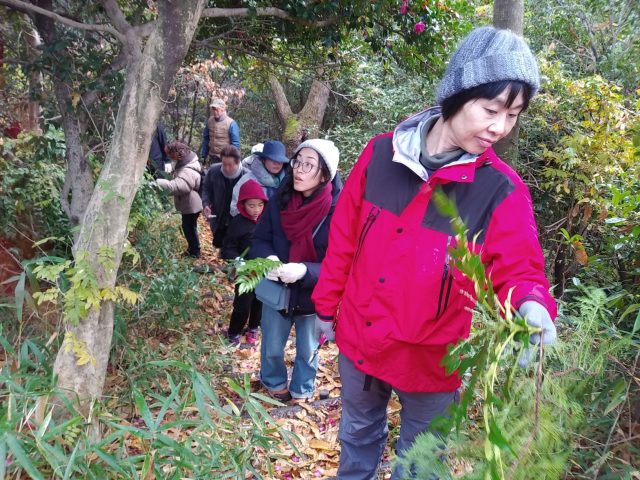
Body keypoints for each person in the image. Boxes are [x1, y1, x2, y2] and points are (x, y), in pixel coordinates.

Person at [311, 26, 559, 479]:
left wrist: (532, 305)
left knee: (421, 463)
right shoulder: (381, 154)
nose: (499, 128)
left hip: (433, 361)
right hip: (361, 342)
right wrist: (325, 308)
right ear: (457, 93)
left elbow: (519, 267)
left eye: (513, 115)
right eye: (491, 110)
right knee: (358, 437)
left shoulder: (500, 191)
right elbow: (343, 240)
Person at [249, 139, 342, 402]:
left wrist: (304, 270)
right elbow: (260, 238)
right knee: (272, 347)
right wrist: (267, 259)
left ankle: (302, 391)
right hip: (278, 287)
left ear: (325, 174)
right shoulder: (282, 197)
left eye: (309, 165)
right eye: (298, 162)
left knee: (308, 349)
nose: (299, 170)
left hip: (313, 294)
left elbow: (340, 263)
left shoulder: (339, 209)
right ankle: (274, 385)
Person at [220, 179, 269, 345]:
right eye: (251, 205)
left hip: (262, 270)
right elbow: (227, 247)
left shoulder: (266, 221)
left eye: (260, 205)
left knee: (259, 302)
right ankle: (234, 331)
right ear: (243, 205)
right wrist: (237, 260)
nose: (256, 210)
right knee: (242, 305)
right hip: (245, 272)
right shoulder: (238, 223)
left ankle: (253, 328)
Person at [156, 141, 203, 258]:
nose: (169, 157)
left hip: (192, 205)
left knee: (189, 228)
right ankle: (193, 249)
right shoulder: (185, 164)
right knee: (189, 227)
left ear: (177, 153)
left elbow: (178, 186)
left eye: (170, 155)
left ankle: (194, 251)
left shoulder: (187, 170)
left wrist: (156, 183)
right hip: (189, 204)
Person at [201, 144, 248, 248]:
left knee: (233, 247)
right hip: (218, 218)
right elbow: (206, 188)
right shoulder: (214, 171)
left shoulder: (247, 176)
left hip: (238, 221)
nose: (226, 168)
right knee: (219, 244)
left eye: (230, 165)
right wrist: (206, 204)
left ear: (238, 162)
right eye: (224, 164)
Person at [229, 140, 289, 217]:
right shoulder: (247, 180)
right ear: (264, 160)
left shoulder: (288, 182)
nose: (277, 163)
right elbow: (235, 208)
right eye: (272, 159)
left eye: (280, 160)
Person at [200, 98, 240, 165]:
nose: (215, 111)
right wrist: (203, 155)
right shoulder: (210, 121)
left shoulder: (231, 123)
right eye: (213, 109)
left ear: (223, 109)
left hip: (225, 158)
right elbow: (206, 139)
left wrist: (233, 160)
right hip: (212, 157)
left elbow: (235, 145)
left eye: (217, 109)